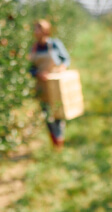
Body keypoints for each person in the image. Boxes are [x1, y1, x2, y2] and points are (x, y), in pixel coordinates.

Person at [29, 19, 71, 149]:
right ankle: (54, 140)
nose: (35, 32)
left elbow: (66, 59)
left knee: (58, 113)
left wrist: (61, 68)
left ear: (45, 31)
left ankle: (59, 141)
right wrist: (37, 73)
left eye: (37, 29)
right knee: (46, 113)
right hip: (41, 85)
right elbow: (29, 67)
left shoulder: (54, 44)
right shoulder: (34, 48)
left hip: (55, 84)